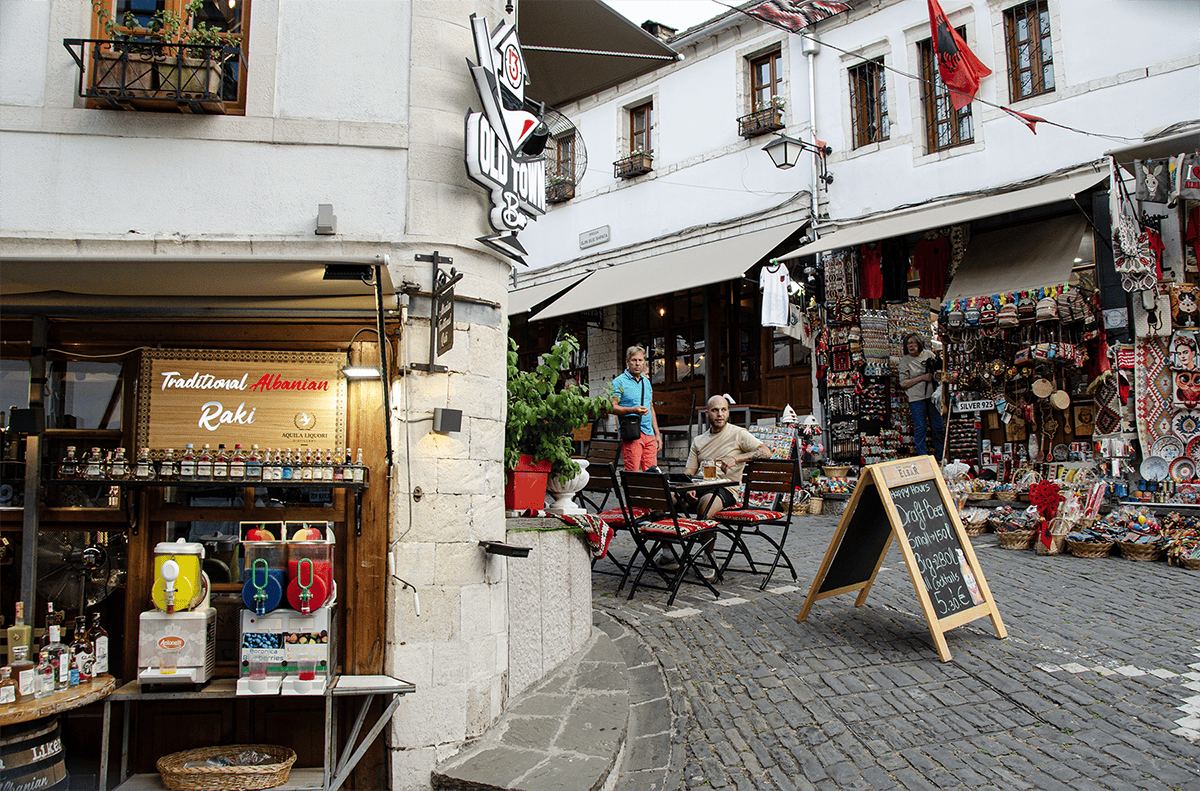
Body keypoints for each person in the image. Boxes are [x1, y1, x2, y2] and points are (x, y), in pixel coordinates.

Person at [609, 345, 661, 471]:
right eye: (634, 360)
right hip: (631, 433)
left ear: (644, 362)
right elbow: (611, 407)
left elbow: (651, 407)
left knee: (652, 474)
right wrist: (633, 410)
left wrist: (657, 434)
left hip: (649, 434)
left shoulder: (646, 382)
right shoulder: (618, 382)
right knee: (632, 473)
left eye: (640, 360)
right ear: (627, 362)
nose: (637, 364)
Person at [899, 333, 944, 460]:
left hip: (932, 396)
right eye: (908, 344)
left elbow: (937, 370)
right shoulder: (905, 361)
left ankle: (940, 456)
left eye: (913, 343)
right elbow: (904, 383)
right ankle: (923, 458)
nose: (911, 346)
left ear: (919, 344)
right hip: (916, 399)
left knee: (937, 426)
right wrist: (921, 378)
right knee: (920, 428)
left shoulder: (929, 355)